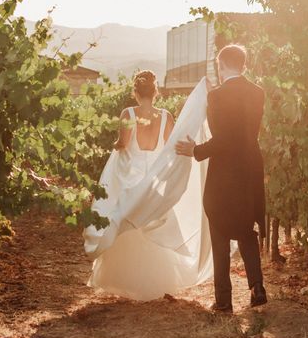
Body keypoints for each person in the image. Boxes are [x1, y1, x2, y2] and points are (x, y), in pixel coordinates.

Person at [83, 70, 213, 300]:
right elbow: (172, 146)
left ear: (135, 92)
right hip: (153, 179)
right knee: (151, 218)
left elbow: (122, 144)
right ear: (156, 92)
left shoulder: (128, 113)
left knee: (125, 222)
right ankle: (155, 282)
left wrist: (115, 142)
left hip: (129, 177)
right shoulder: (166, 117)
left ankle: (125, 279)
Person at [175, 44, 267, 313]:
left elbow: (224, 139)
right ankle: (257, 287)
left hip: (225, 173)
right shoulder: (258, 92)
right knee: (246, 229)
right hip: (251, 167)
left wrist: (196, 150)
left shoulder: (216, 97)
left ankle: (224, 300)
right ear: (244, 64)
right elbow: (244, 135)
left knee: (220, 231)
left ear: (221, 64)